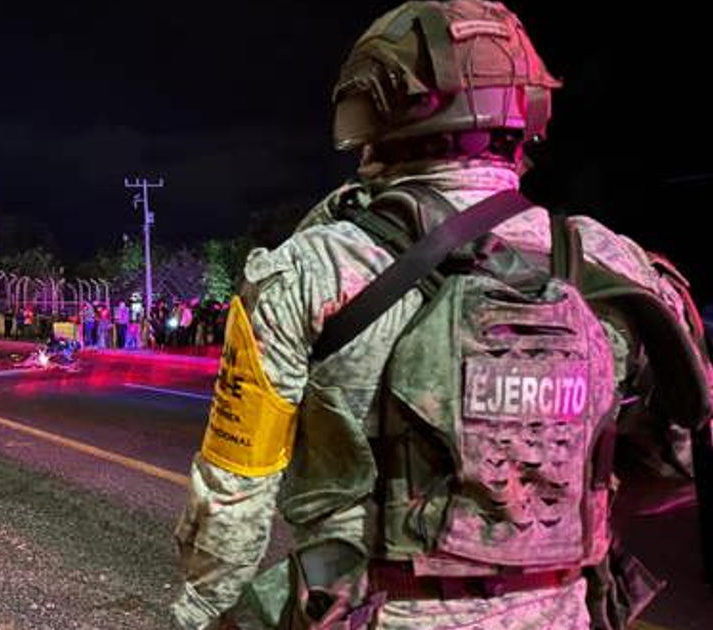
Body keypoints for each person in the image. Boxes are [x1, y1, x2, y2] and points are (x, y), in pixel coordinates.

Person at [170, 2, 713, 630]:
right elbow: (676, 460)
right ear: (526, 112)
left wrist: (201, 612)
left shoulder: (308, 271)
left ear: (371, 114)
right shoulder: (612, 267)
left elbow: (235, 497)